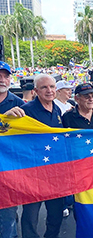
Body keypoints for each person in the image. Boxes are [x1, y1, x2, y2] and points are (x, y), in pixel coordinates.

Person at [6, 74, 64, 238]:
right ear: (36, 90)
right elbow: (7, 129)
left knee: (56, 213)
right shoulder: (27, 111)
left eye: (52, 87)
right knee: (31, 215)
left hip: (55, 171)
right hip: (33, 172)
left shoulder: (58, 110)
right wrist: (7, 118)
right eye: (45, 87)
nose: (49, 91)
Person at [0, 61, 24, 238]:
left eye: (5, 75)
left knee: (8, 217)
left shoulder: (20, 104)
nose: (2, 79)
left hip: (8, 171)